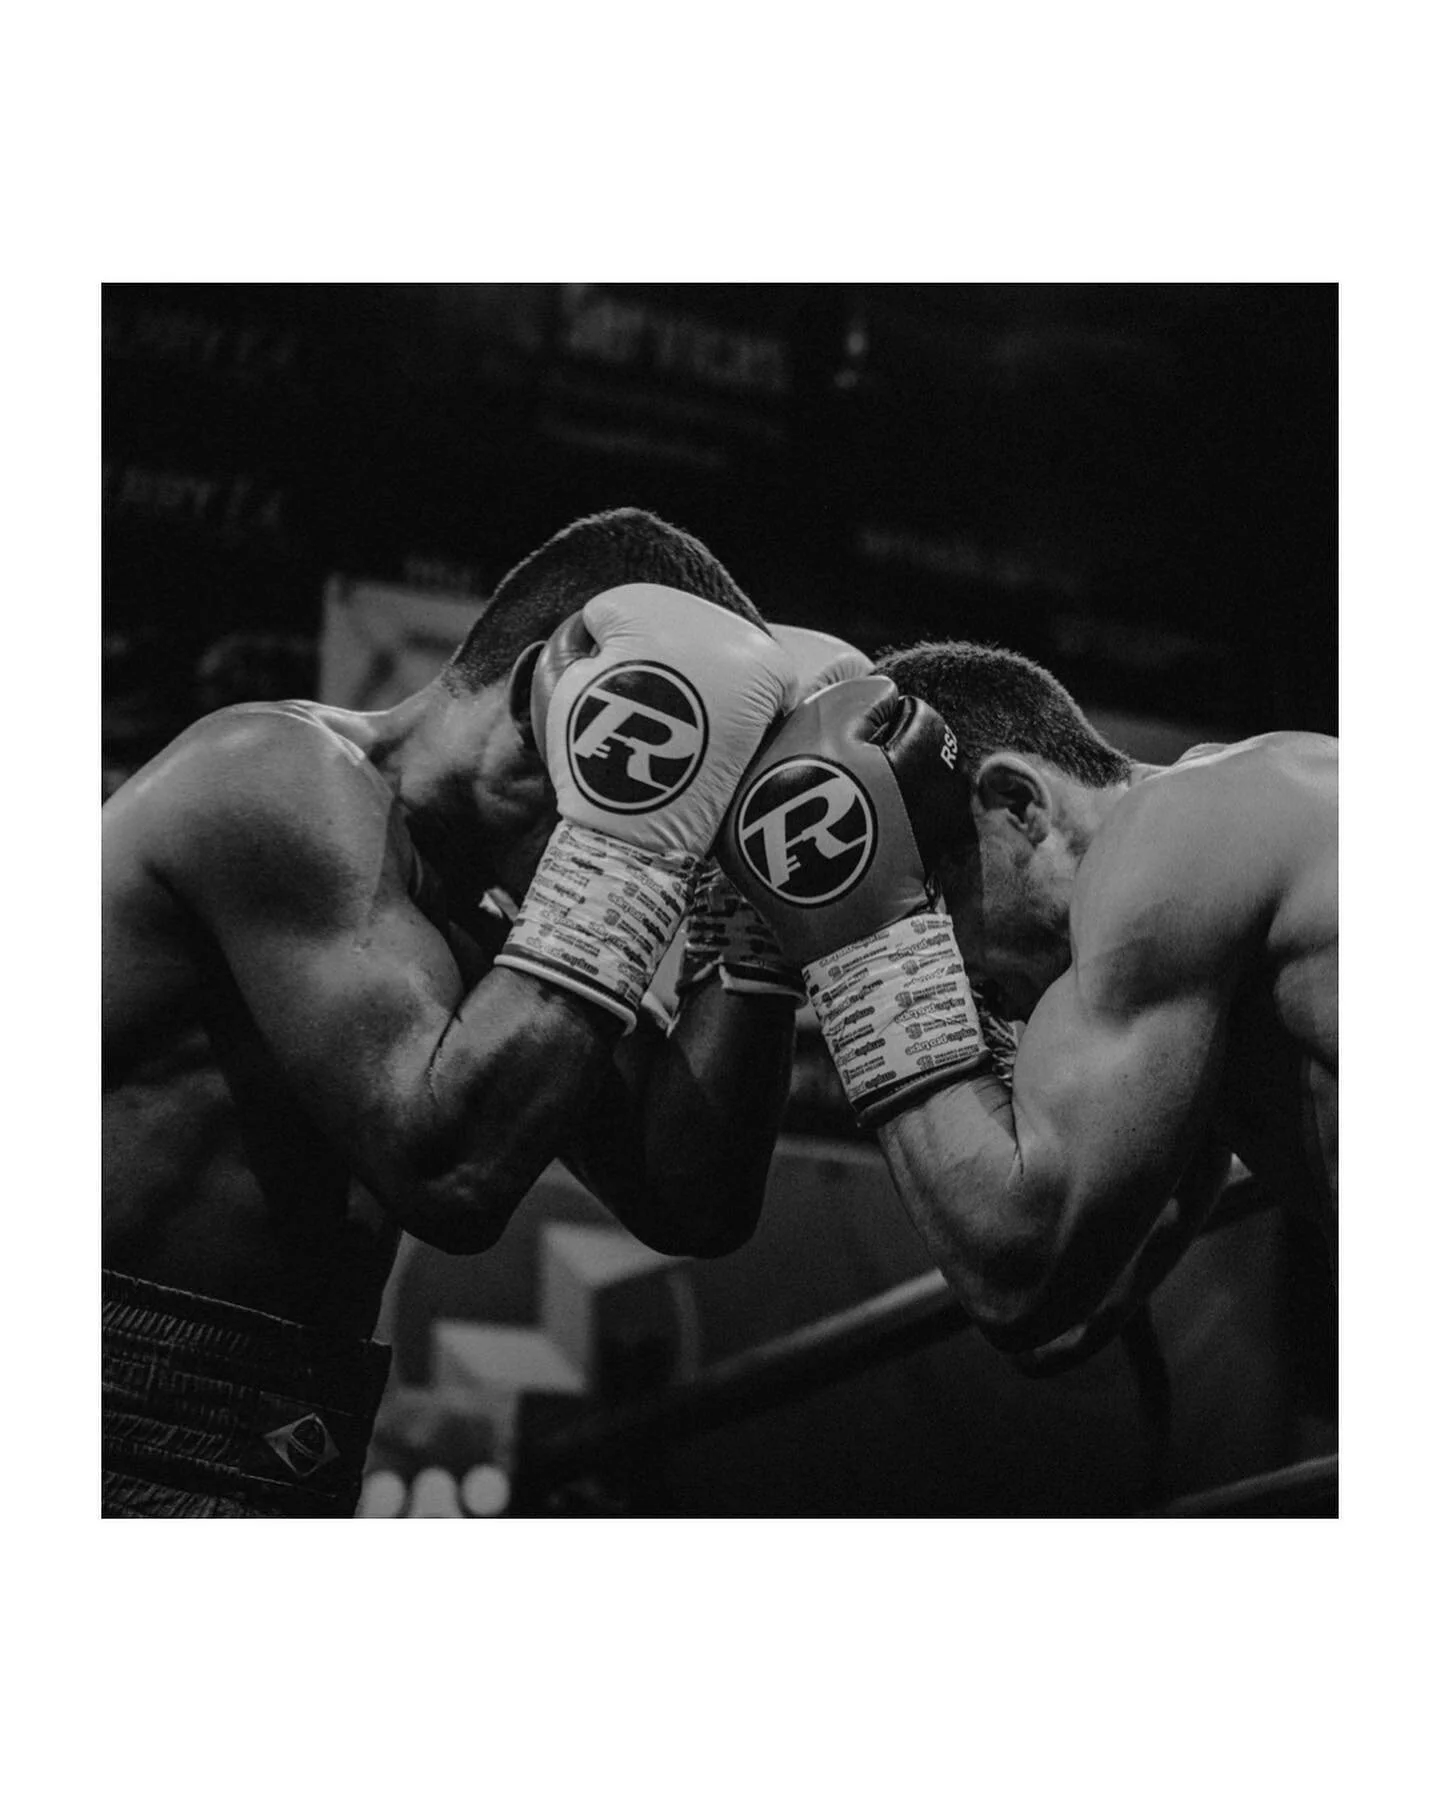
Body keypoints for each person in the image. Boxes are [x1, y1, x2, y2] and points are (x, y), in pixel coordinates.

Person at [102, 506, 861, 1517]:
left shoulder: (495, 920)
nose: (662, 830)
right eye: (665, 768)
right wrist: (634, 836)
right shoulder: (272, 777)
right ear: (555, 691)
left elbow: (691, 1197)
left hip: (277, 1427)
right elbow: (446, 1168)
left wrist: (756, 918)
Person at [716, 641, 1336, 1368]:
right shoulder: (1225, 891)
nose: (959, 978)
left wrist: (868, 951)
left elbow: (1018, 1269)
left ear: (1017, 802)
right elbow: (1065, 1319)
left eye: (933, 914)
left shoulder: (1174, 841)